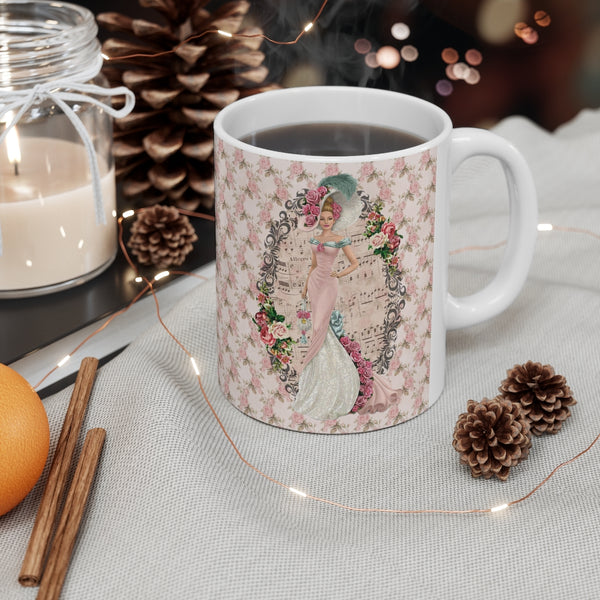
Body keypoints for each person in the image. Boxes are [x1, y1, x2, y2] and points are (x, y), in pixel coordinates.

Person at [292, 194, 361, 420]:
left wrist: (339, 274)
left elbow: (355, 263)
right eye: (322, 218)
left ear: (335, 218)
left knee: (321, 325)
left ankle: (335, 381)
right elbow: (312, 266)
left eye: (329, 218)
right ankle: (318, 380)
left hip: (329, 283)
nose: (326, 221)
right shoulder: (315, 240)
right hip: (315, 283)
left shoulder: (340, 238)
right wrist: (304, 288)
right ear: (319, 219)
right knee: (317, 328)